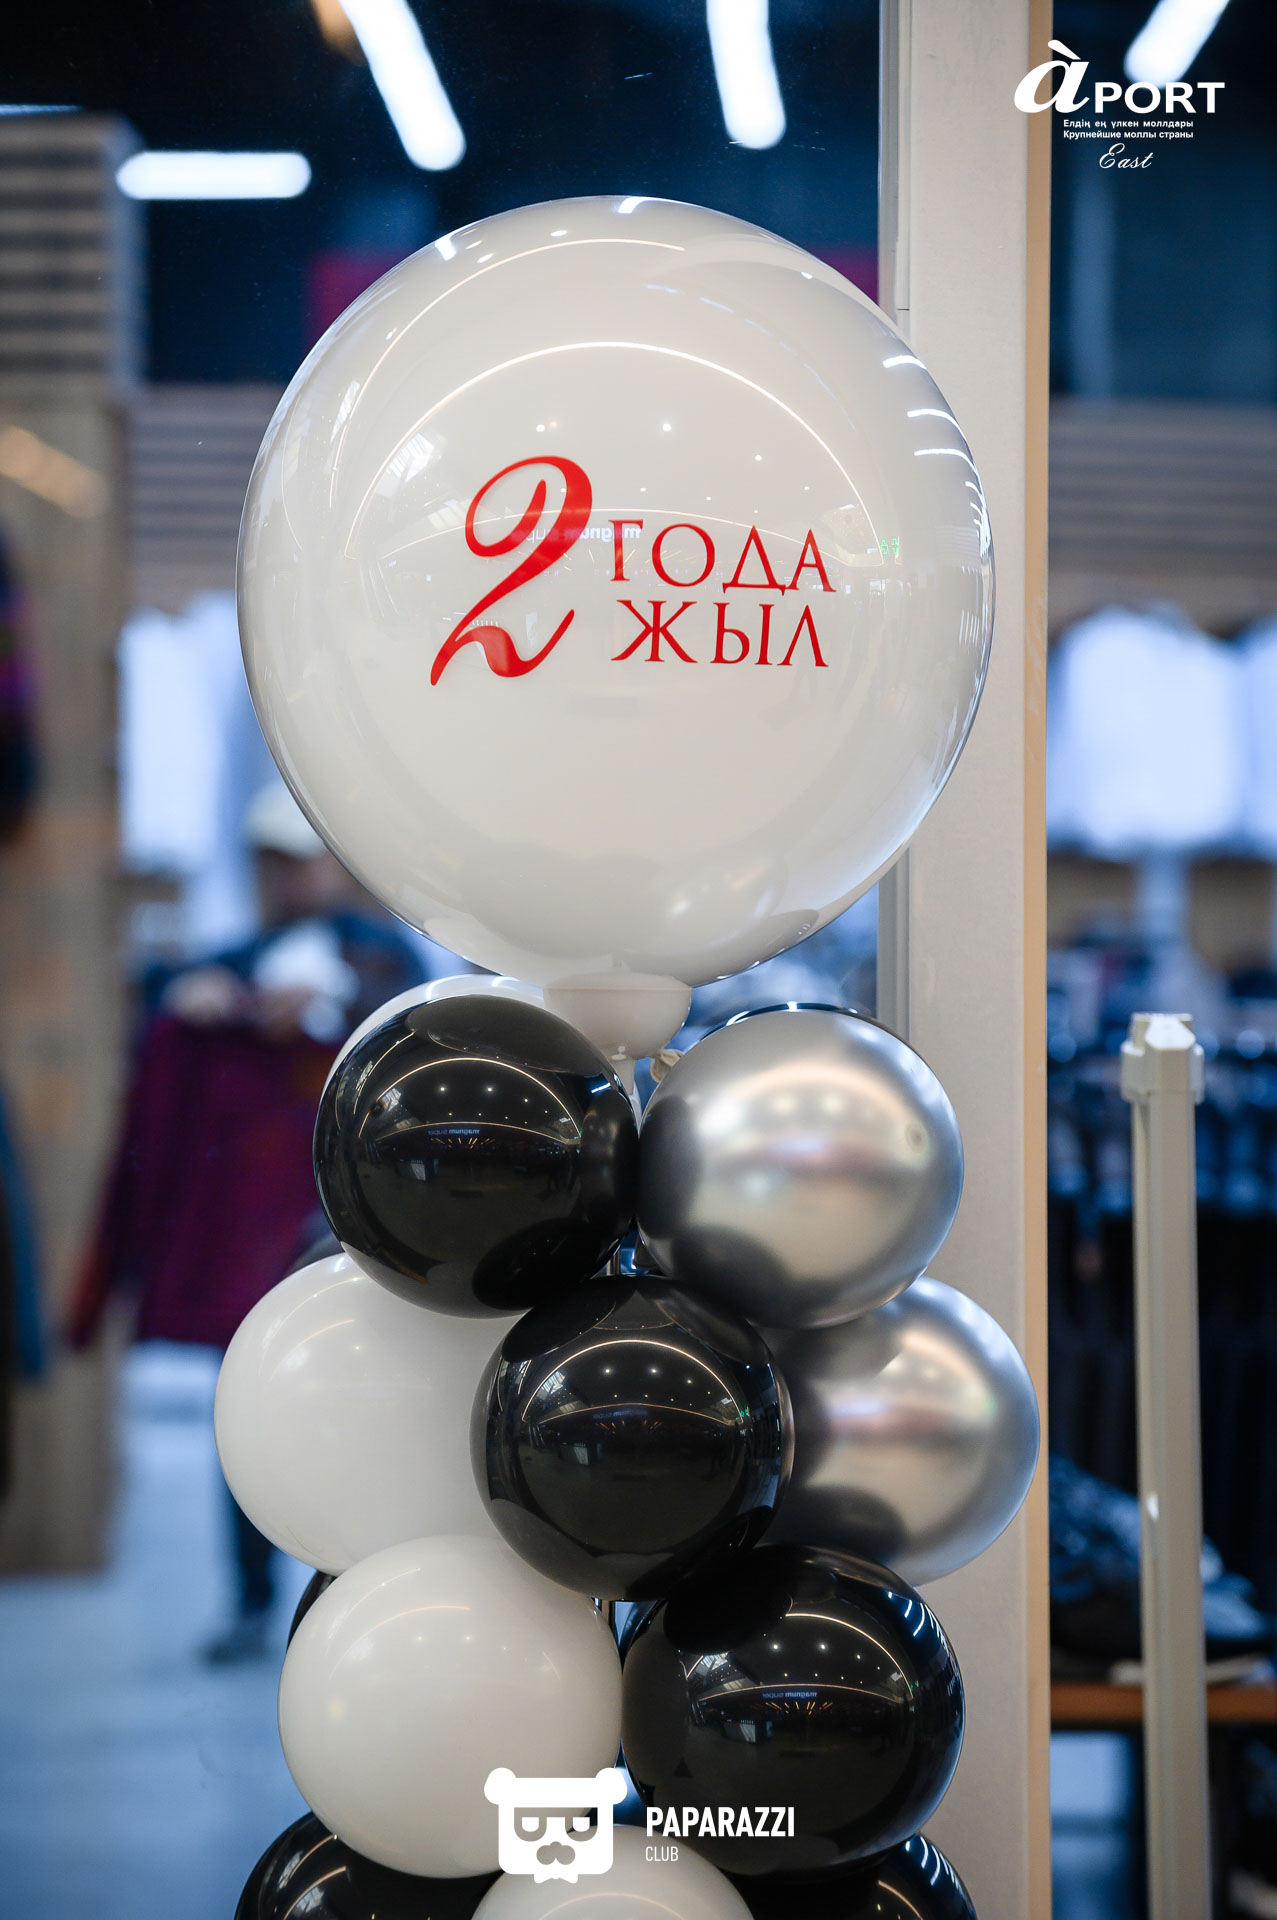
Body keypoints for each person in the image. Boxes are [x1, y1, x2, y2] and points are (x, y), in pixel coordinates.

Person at [69, 783, 423, 1661]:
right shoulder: (242, 958)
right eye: (269, 863)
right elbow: (174, 989)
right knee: (250, 1419)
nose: (282, 878)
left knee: (367, 1419)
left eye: (294, 861)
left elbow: (411, 1028)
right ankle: (252, 1598)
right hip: (254, 1249)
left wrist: (329, 1004)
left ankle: (363, 1592)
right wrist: (186, 992)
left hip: (352, 1239)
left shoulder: (384, 960)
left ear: (331, 863)